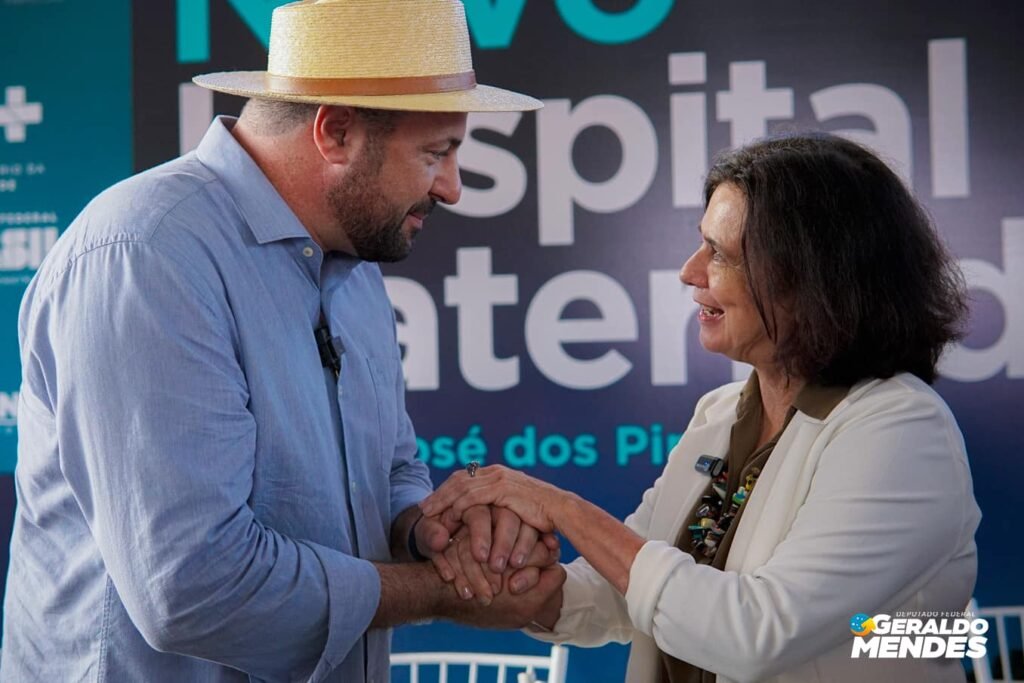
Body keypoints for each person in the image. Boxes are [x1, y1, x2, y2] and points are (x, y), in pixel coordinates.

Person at [2, 1, 564, 681]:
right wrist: (445, 592)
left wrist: (432, 531)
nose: (451, 186)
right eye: (436, 152)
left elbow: (389, 471)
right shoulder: (147, 256)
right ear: (336, 133)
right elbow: (192, 585)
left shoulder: (355, 274)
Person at [423, 133, 982, 682]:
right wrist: (523, 585)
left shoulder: (902, 430)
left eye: (720, 254)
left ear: (812, 278)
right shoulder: (719, 415)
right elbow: (626, 593)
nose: (690, 272)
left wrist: (560, 508)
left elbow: (755, 634)